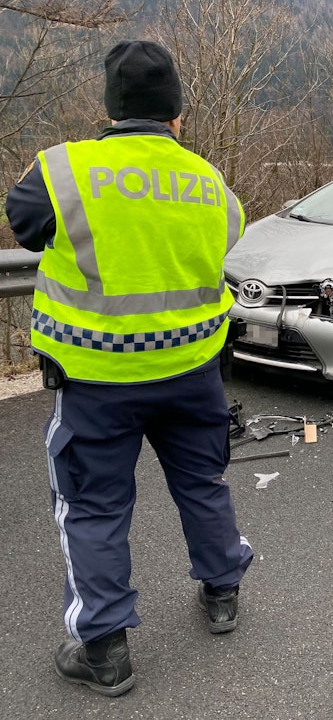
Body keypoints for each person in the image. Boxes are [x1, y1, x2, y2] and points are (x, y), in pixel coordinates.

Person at [6, 40, 253, 697]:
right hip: (194, 371)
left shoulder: (66, 170)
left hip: (98, 381)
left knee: (92, 507)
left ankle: (105, 649)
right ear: (176, 112)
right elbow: (228, 236)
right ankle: (223, 590)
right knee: (202, 482)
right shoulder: (208, 182)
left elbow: (25, 223)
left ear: (111, 107)